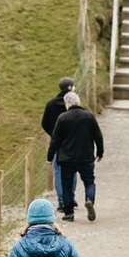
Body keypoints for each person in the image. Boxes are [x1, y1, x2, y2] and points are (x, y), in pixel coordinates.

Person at [48, 92, 104, 222]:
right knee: (89, 181)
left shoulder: (62, 118)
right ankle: (89, 200)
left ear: (67, 103)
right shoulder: (89, 116)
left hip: (67, 158)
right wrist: (100, 152)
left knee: (67, 185)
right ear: (78, 102)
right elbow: (98, 136)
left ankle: (69, 213)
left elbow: (55, 140)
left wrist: (50, 156)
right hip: (86, 157)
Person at [39, 77, 75, 194]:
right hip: (72, 142)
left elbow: (44, 123)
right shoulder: (73, 104)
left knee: (58, 171)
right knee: (72, 170)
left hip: (56, 143)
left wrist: (54, 135)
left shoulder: (51, 104)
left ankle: (61, 200)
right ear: (70, 87)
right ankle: (70, 197)